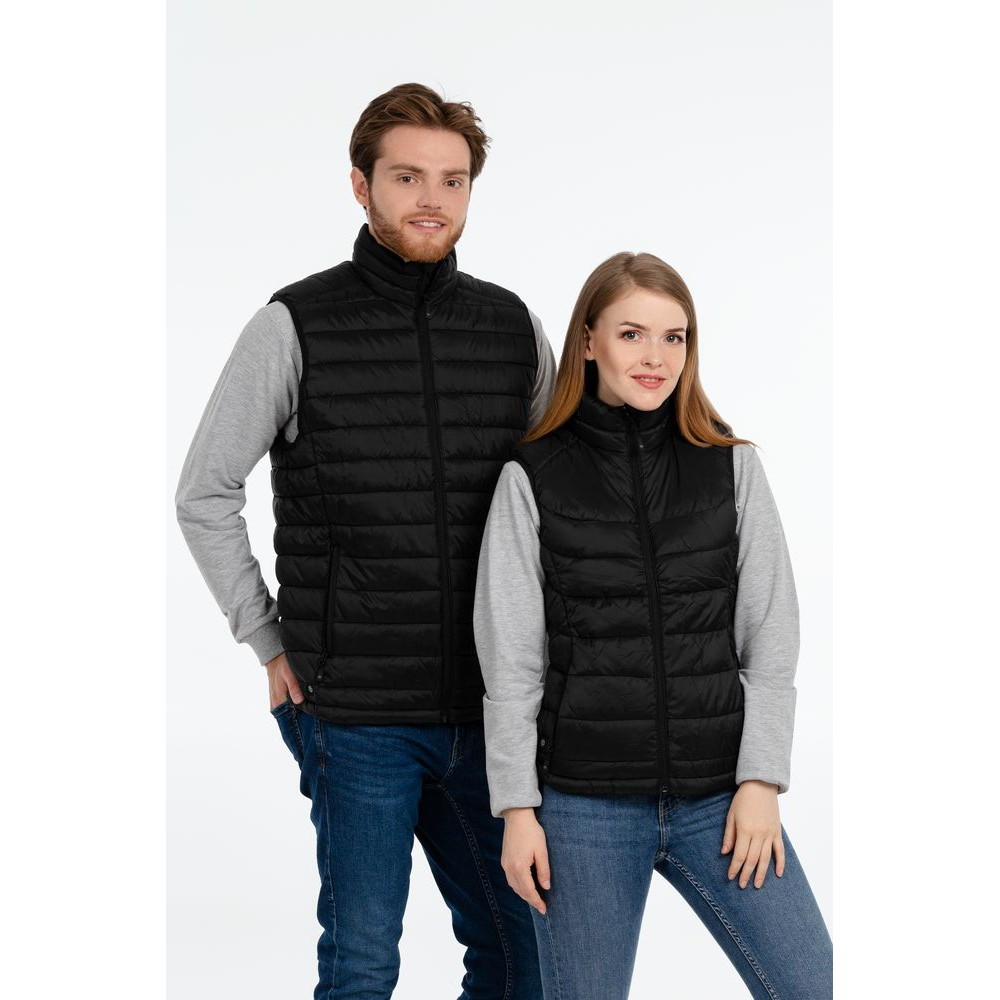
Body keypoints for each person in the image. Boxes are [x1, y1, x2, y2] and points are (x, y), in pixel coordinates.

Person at [175, 83, 555, 999]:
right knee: (361, 966)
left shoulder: (512, 329)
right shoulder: (294, 324)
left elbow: (561, 499)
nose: (433, 199)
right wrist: (266, 638)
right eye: (408, 177)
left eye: (453, 181)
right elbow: (204, 492)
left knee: (520, 961)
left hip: (491, 715)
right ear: (361, 184)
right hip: (354, 717)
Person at [473, 252, 833, 998]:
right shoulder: (531, 477)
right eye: (632, 334)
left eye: (675, 337)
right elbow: (511, 662)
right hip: (583, 808)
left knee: (812, 984)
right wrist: (517, 809)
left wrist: (761, 780)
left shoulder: (730, 466)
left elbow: (771, 634)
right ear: (588, 341)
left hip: (720, 800)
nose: (656, 357)